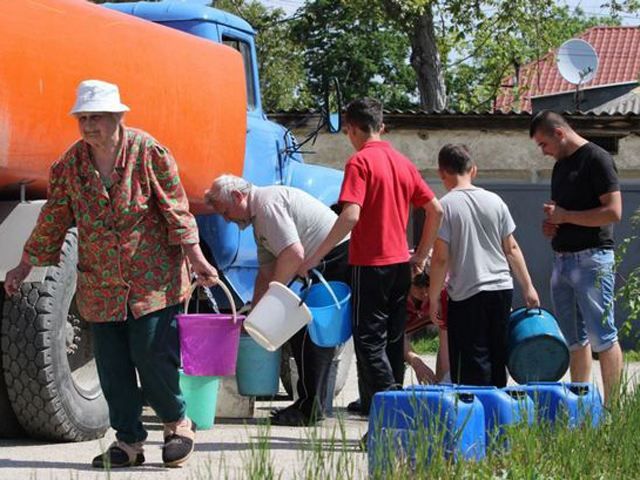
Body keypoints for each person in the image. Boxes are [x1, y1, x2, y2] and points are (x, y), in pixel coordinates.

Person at [4, 80, 218, 469]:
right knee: (113, 366)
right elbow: (53, 218)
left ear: (118, 117)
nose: (89, 126)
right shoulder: (70, 165)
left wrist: (196, 257)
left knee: (152, 354)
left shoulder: (148, 153)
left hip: (152, 281)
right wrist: (24, 265)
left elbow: (176, 210)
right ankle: (129, 442)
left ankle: (176, 424)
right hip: (100, 283)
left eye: (97, 117)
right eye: (83, 118)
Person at [299, 97, 443, 416]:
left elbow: (350, 215)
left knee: (367, 343)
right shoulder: (403, 163)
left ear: (351, 129)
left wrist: (315, 257)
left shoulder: (359, 163)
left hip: (370, 265)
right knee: (392, 341)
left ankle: (394, 412)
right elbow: (436, 209)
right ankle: (376, 410)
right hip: (399, 266)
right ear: (381, 126)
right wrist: (419, 254)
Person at [204, 174, 350, 426]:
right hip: (320, 260)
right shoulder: (259, 220)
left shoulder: (267, 206)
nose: (227, 219)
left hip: (333, 258)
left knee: (307, 330)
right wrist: (255, 313)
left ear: (239, 196)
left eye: (226, 212)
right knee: (304, 330)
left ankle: (309, 407)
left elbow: (293, 255)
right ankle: (312, 402)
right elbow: (267, 271)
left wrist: (275, 300)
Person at [530, 110, 623, 405]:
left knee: (603, 338)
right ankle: (581, 408)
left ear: (559, 133)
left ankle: (612, 409)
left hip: (593, 260)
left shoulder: (597, 159)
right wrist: (553, 224)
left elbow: (614, 212)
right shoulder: (561, 167)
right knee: (574, 340)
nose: (543, 152)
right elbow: (562, 213)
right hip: (562, 260)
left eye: (544, 144)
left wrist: (565, 216)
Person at [429, 144, 539, 387]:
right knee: (497, 353)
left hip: (468, 292)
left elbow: (440, 258)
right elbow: (511, 248)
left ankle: (476, 412)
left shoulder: (444, 206)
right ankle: (498, 413)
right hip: (501, 288)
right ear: (474, 170)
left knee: (471, 359)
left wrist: (434, 297)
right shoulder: (495, 201)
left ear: (441, 173)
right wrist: (528, 287)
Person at [404, 270, 450, 385]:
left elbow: (446, 341)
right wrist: (417, 364)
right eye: (418, 285)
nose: (424, 292)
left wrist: (444, 381)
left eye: (428, 284)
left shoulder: (441, 295)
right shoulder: (398, 296)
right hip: (395, 335)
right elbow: (395, 336)